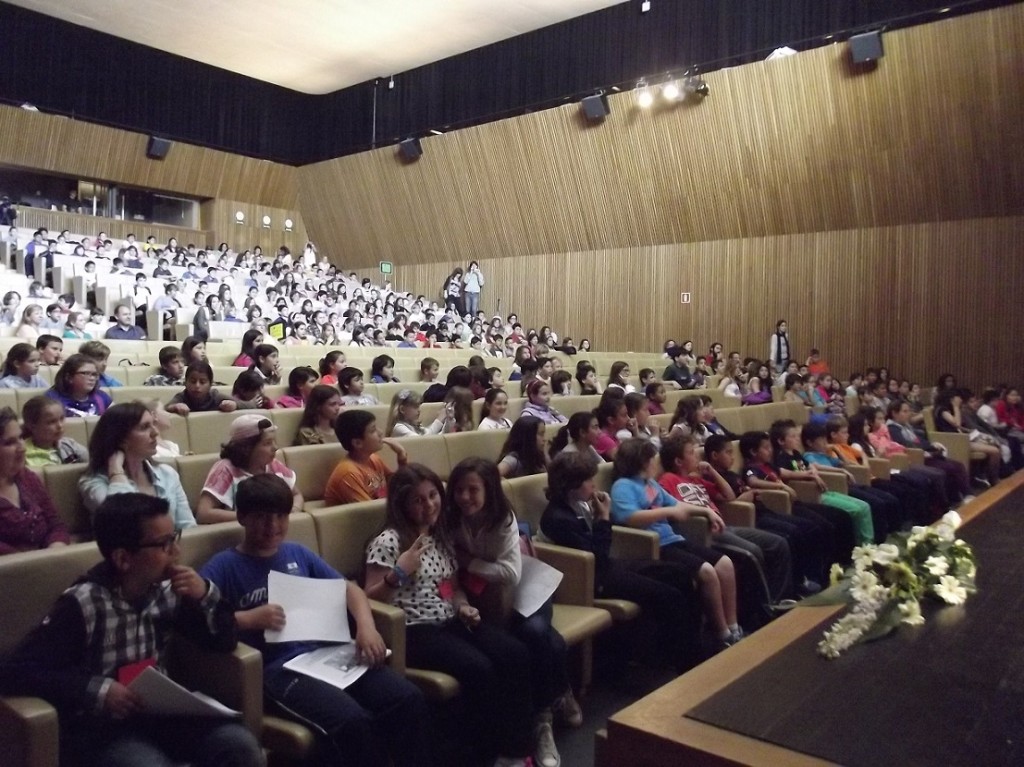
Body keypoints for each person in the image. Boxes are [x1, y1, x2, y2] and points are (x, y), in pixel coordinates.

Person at [0, 493, 262, 767]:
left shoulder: (167, 590)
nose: (175, 552)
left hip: (160, 712)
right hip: (103, 727)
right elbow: (20, 670)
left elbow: (223, 640)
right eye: (164, 544)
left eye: (175, 538)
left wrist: (204, 595)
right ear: (124, 558)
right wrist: (98, 690)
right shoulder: (84, 603)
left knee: (239, 746)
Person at [200, 474, 431, 767]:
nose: (273, 526)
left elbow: (350, 589)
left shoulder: (296, 552)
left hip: (326, 656)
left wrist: (366, 627)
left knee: (407, 698)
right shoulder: (224, 566)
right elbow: (199, 622)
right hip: (277, 670)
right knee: (352, 722)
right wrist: (246, 619)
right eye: (261, 517)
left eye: (280, 516)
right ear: (242, 517)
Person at [365, 464, 535, 766]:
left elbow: (451, 587)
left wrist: (463, 606)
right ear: (402, 504)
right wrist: (399, 573)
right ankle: (486, 754)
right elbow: (369, 600)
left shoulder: (439, 536)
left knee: (515, 653)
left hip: (450, 620)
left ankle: (517, 749)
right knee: (479, 669)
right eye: (419, 500)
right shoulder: (389, 541)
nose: (429, 505)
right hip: (413, 630)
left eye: (433, 496)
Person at [443, 458, 579, 767]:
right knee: (540, 644)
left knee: (533, 634)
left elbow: (510, 574)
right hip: (489, 599)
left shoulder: (502, 518)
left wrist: (468, 562)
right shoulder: (451, 519)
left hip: (527, 590)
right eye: (459, 490)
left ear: (489, 490)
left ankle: (543, 720)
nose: (465, 497)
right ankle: (560, 687)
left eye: (473, 490)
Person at [541, 451, 703, 671]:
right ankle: (687, 660)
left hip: (607, 565)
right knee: (669, 595)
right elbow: (596, 554)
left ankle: (682, 646)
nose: (593, 484)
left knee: (679, 573)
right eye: (588, 480)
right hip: (591, 578)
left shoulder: (580, 503)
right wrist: (604, 518)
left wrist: (600, 518)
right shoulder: (557, 518)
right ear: (570, 485)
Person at [610, 438, 744, 650]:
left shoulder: (651, 484)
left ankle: (734, 625)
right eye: (651, 459)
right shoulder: (623, 486)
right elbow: (628, 516)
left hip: (672, 538)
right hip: (651, 545)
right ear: (641, 461)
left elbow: (677, 504)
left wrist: (706, 511)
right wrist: (668, 512)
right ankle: (722, 633)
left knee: (725, 564)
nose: (655, 462)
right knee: (707, 571)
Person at [79, 402, 196, 529]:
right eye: (145, 427)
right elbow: (123, 519)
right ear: (121, 438)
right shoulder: (93, 483)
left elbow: (188, 527)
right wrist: (116, 471)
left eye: (153, 424)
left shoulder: (168, 474)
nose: (155, 432)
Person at [770, 419, 874, 545]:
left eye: (797, 435)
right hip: (809, 494)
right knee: (852, 512)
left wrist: (813, 472)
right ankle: (861, 547)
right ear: (781, 441)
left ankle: (869, 546)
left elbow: (811, 465)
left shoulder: (796, 453)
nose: (798, 439)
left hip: (822, 489)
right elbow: (781, 472)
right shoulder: (780, 457)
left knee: (864, 506)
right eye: (793, 436)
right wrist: (809, 474)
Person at [196, 414, 302, 523]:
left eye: (274, 442)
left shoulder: (274, 465)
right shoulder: (225, 469)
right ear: (246, 448)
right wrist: (255, 520)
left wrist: (293, 511)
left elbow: (296, 494)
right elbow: (204, 514)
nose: (275, 448)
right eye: (267, 443)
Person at [0, 405, 68, 554]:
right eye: (10, 442)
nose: (22, 447)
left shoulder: (27, 478)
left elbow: (56, 525)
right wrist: (35, 564)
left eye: (20, 438)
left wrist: (55, 548)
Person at [324, 409, 408, 505]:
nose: (380, 433)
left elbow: (397, 485)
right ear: (357, 443)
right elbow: (369, 511)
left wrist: (402, 456)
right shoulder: (348, 473)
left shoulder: (373, 458)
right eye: (373, 430)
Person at [22, 394, 89, 467]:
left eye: (62, 419)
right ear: (32, 426)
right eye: (51, 422)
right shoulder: (23, 453)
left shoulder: (70, 445)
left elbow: (93, 463)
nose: (60, 426)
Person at [46, 353, 112, 418]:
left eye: (94, 374)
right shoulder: (52, 399)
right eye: (85, 373)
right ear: (69, 377)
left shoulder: (101, 397)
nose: (92, 378)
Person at [165, 361, 238, 415]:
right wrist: (175, 406)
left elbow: (246, 404)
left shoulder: (216, 396)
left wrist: (234, 405)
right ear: (185, 383)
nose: (197, 386)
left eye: (202, 382)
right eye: (193, 381)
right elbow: (166, 408)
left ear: (210, 384)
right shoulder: (182, 397)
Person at [387, 389, 453, 437]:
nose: (419, 410)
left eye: (419, 407)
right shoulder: (398, 427)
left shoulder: (413, 424)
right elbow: (422, 441)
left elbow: (433, 436)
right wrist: (439, 420)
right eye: (415, 407)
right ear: (402, 409)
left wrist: (449, 419)